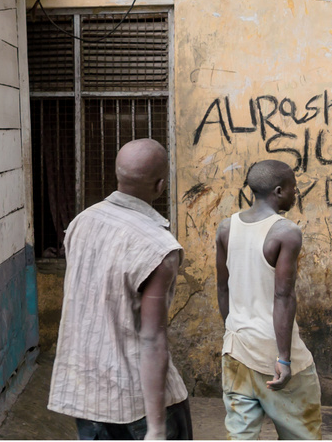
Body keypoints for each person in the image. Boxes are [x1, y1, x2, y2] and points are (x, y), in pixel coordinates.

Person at [49, 138, 191, 440]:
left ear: (118, 174)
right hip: (138, 402)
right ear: (160, 185)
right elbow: (152, 339)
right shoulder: (158, 246)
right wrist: (155, 428)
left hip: (86, 390)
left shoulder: (81, 222)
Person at [214, 160, 321, 441]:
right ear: (278, 191)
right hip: (274, 354)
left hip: (236, 349)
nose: (296, 193)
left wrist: (232, 331)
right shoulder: (286, 232)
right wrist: (284, 359)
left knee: (240, 436)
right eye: (293, 188)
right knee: (301, 434)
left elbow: (222, 287)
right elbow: (283, 296)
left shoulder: (226, 228)